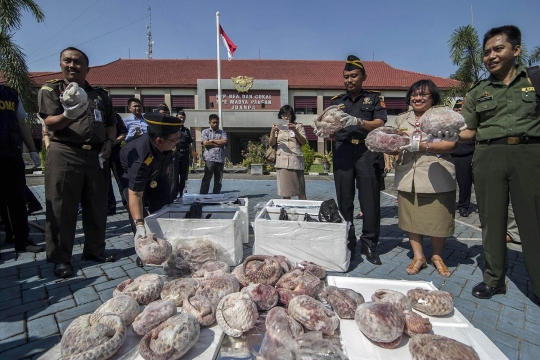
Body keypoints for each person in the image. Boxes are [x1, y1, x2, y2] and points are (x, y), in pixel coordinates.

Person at [457, 25, 540, 303]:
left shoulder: (535, 79)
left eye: (498, 49)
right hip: (488, 156)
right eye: (486, 52)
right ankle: (494, 280)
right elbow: (468, 129)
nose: (490, 56)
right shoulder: (478, 91)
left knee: (533, 220)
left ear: (515, 50)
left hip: (529, 154)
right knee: (492, 220)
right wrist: (443, 130)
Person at [38, 47, 117, 278]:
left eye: (77, 62)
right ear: (61, 64)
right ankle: (61, 258)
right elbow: (49, 123)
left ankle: (94, 250)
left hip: (96, 155)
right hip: (65, 152)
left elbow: (111, 123)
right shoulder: (51, 89)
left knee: (97, 205)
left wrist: (110, 142)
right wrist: (68, 115)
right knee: (62, 207)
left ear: (87, 68)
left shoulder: (100, 95)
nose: (72, 65)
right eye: (67, 61)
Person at [391, 80, 458, 277]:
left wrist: (422, 146)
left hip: (435, 174)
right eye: (414, 94)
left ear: (433, 97)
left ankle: (437, 255)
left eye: (423, 95)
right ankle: (418, 256)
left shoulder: (442, 117)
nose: (417, 98)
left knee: (438, 218)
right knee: (411, 217)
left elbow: (451, 145)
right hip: (407, 175)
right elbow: (394, 143)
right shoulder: (401, 119)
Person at [329, 55, 387, 264]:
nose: (349, 80)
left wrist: (359, 121)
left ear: (363, 76)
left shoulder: (373, 99)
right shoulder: (337, 102)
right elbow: (330, 125)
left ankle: (369, 245)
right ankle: (348, 241)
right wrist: (325, 129)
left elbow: (380, 122)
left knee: (369, 202)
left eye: (353, 76)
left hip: (367, 151)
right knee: (344, 201)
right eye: (346, 77)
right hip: (343, 152)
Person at [120, 112, 182, 266]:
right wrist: (139, 224)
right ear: (159, 140)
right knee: (139, 214)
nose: (177, 142)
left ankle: (165, 248)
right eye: (174, 140)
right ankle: (144, 252)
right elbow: (135, 194)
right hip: (132, 179)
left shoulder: (167, 144)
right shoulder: (140, 158)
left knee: (163, 207)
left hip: (158, 177)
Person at [0, 84, 43, 254]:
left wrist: (32, 149)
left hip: (12, 155)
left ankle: (22, 241)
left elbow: (22, 122)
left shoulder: (10, 93)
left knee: (17, 200)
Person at [269, 105, 307, 200]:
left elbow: (303, 142)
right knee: (285, 191)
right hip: (282, 161)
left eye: (288, 115)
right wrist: (273, 132)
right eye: (283, 115)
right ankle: (286, 211)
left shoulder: (299, 126)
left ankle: (304, 211)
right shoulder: (276, 127)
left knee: (301, 190)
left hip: (296, 161)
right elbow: (271, 143)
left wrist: (294, 130)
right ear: (280, 116)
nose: (286, 117)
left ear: (292, 116)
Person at [450, 100, 474, 218]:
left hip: (465, 157)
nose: (458, 111)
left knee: (465, 184)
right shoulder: (448, 124)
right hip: (449, 156)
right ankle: (448, 204)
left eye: (460, 110)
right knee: (447, 183)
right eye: (456, 109)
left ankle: (464, 206)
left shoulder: (470, 125)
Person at [199, 114, 227, 194]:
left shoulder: (222, 132)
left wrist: (211, 140)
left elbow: (224, 141)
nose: (215, 124)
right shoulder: (205, 131)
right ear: (209, 122)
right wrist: (218, 143)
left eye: (217, 122)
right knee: (207, 178)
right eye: (213, 122)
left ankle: (216, 196)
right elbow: (205, 143)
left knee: (218, 180)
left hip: (219, 159)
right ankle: (203, 196)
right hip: (209, 159)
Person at [107, 113, 127, 215]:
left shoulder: (115, 116)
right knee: (105, 181)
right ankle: (110, 206)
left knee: (121, 178)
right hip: (101, 153)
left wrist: (114, 141)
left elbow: (123, 133)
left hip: (115, 150)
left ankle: (127, 202)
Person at [175, 111, 194, 197]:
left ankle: (183, 193)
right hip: (175, 154)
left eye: (183, 118)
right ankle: (174, 193)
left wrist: (191, 156)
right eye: (180, 117)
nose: (182, 119)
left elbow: (189, 144)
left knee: (184, 175)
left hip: (184, 155)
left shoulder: (186, 130)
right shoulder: (172, 129)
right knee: (174, 175)